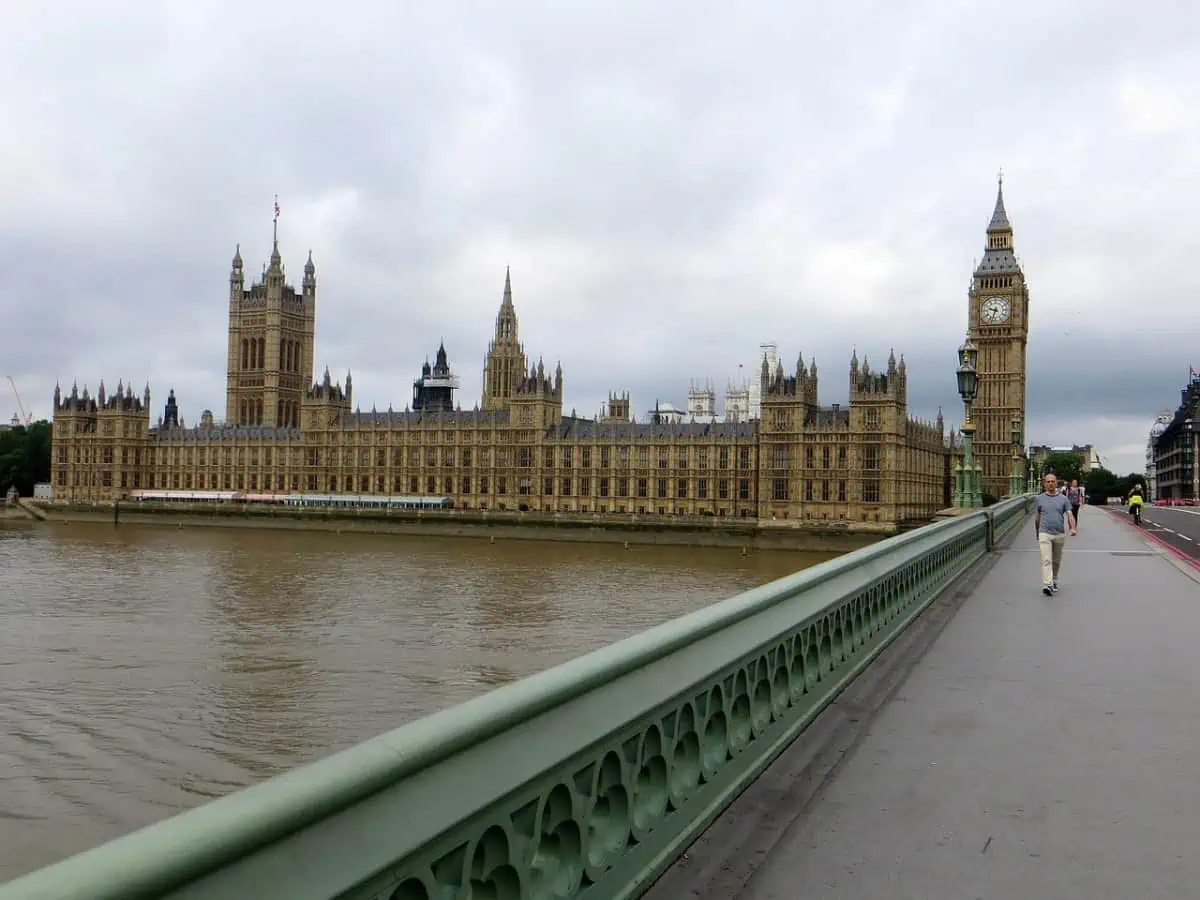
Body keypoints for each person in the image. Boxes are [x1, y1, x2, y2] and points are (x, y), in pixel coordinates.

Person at [1034, 473, 1076, 596]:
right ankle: (1048, 584)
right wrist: (1037, 532)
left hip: (1059, 534)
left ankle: (1054, 579)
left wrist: (1073, 528)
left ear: (1056, 483)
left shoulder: (1063, 499)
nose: (1051, 483)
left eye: (1053, 481)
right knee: (1046, 560)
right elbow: (1037, 517)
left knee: (1056, 561)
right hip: (1044, 532)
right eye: (1048, 482)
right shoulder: (1039, 498)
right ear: (1044, 484)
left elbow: (1069, 514)